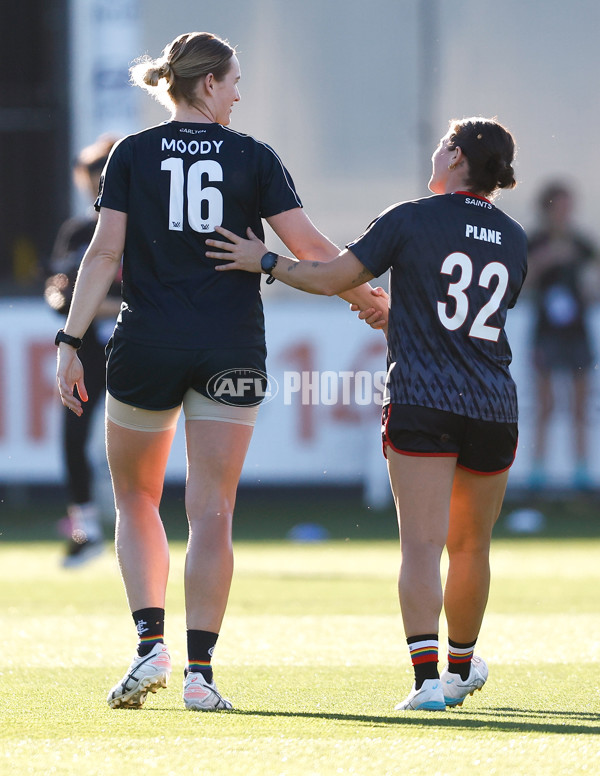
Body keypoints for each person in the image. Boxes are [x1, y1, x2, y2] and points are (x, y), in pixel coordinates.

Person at [55, 31, 387, 712]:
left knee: (136, 498)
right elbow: (310, 246)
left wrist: (69, 341)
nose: (238, 93)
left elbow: (103, 254)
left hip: (148, 342)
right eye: (233, 81)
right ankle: (200, 674)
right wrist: (367, 298)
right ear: (208, 83)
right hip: (229, 345)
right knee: (212, 511)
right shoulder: (251, 156)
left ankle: (150, 645)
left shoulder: (131, 154)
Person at [206, 116, 527, 711]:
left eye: (443, 146)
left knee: (421, 547)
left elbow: (332, 277)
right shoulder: (514, 236)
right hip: (492, 403)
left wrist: (264, 260)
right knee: (471, 548)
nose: (435, 153)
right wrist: (398, 316)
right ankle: (460, 670)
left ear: (458, 157)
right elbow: (464, 320)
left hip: (423, 397)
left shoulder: (410, 217)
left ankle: (427, 683)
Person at [45, 136, 122, 567]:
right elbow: (57, 289)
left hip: (134, 346)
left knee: (132, 441)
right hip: (87, 348)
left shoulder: (143, 228)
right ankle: (85, 528)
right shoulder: (78, 232)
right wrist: (76, 303)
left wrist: (94, 303)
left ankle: (138, 526)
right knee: (73, 436)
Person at [526, 183, 599, 491]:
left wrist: (590, 286)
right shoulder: (534, 242)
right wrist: (545, 260)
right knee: (545, 404)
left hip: (577, 333)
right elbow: (522, 285)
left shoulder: (583, 244)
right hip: (546, 333)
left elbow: (593, 288)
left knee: (580, 405)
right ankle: (538, 470)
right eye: (559, 206)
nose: (564, 213)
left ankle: (582, 469)